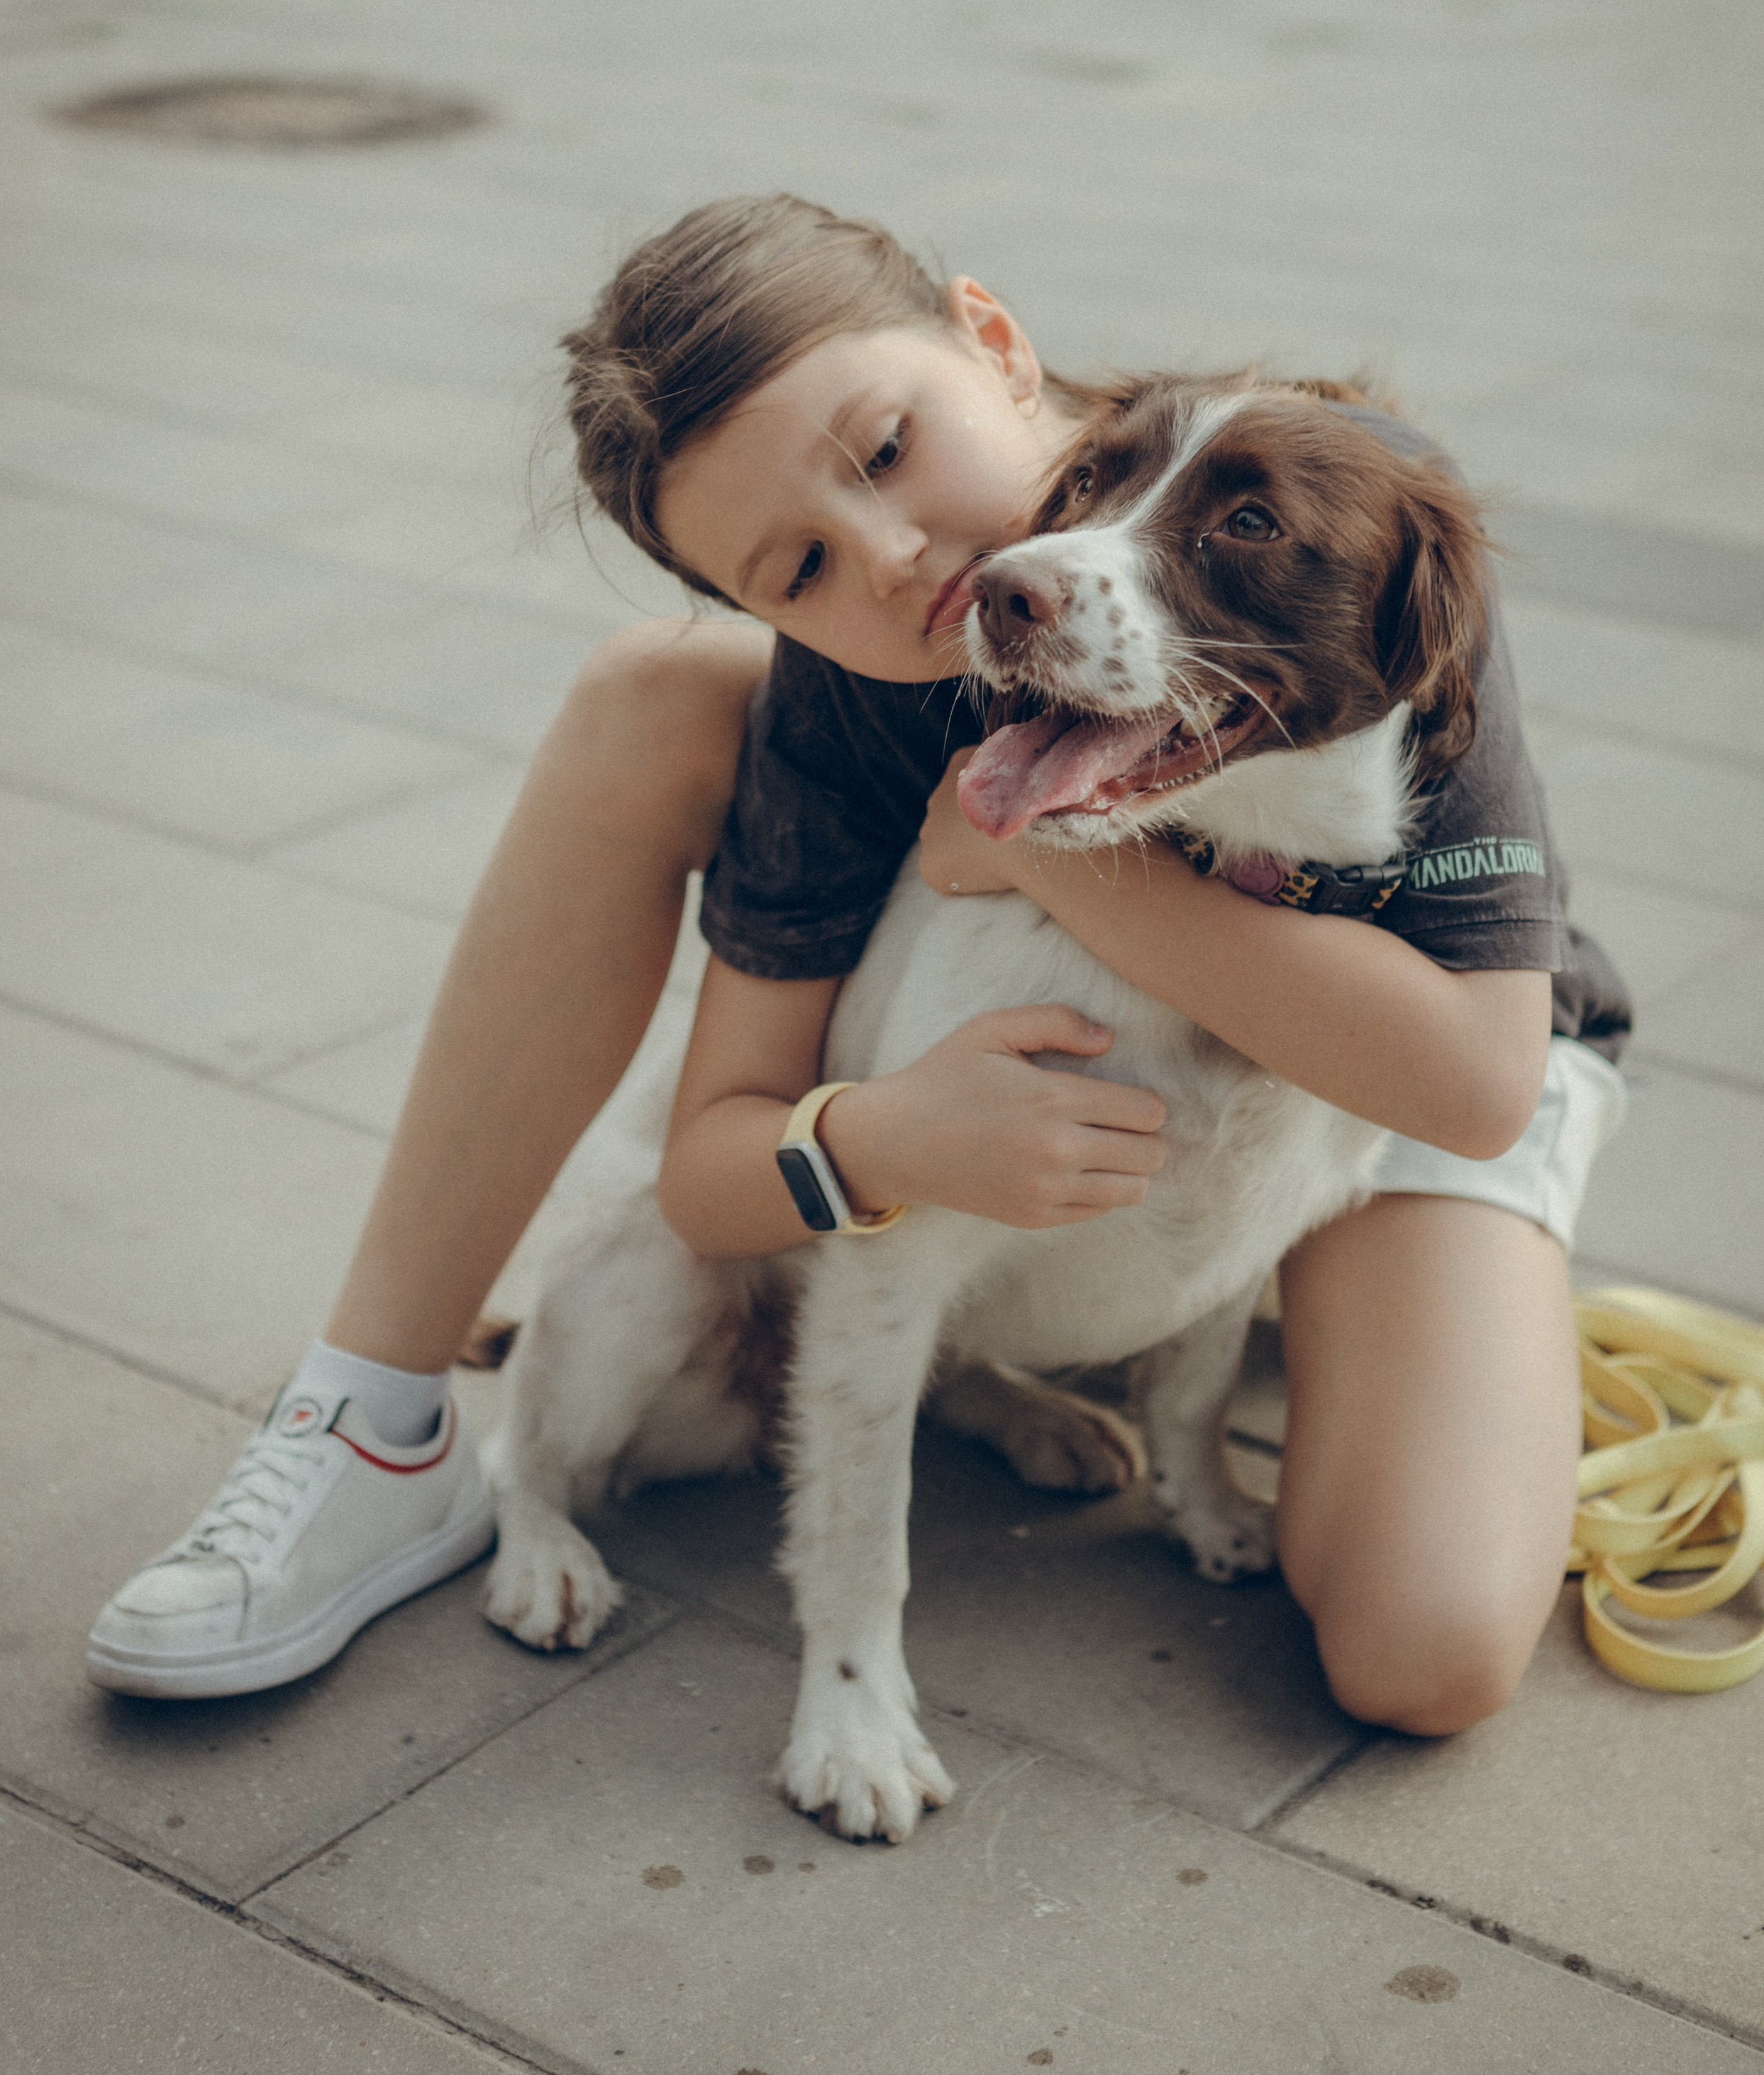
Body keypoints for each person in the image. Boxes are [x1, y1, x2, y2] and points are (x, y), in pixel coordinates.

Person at [88, 195, 1629, 1734]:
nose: (895, 565)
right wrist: (879, 1137)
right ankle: (369, 1415)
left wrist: (1008, 837)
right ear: (758, 616)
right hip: (1096, 1139)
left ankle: (1303, 1334)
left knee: (1421, 1652)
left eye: (888, 446)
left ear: (994, 344)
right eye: (797, 572)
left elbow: (1470, 1084)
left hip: (1417, 1058)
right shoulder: (838, 691)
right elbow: (714, 1179)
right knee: (650, 701)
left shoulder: (1349, 505)